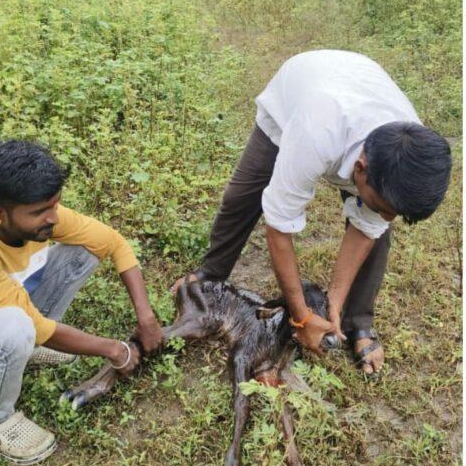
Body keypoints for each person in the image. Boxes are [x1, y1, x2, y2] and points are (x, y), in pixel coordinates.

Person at [172, 50, 452, 375]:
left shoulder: (409, 153)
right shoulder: (314, 133)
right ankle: (212, 274)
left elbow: (368, 226)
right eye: (382, 207)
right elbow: (278, 227)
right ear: (360, 169)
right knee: (242, 195)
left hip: (360, 86)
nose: (386, 216)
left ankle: (357, 323)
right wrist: (301, 315)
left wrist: (333, 301)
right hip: (300, 90)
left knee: (378, 236)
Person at [0, 140, 164, 465]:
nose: (53, 217)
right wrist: (115, 350)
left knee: (86, 249)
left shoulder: (39, 216)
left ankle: (23, 348)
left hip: (6, 321)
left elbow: (114, 243)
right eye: (40, 211)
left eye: (55, 204)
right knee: (16, 325)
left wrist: (146, 317)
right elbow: (32, 325)